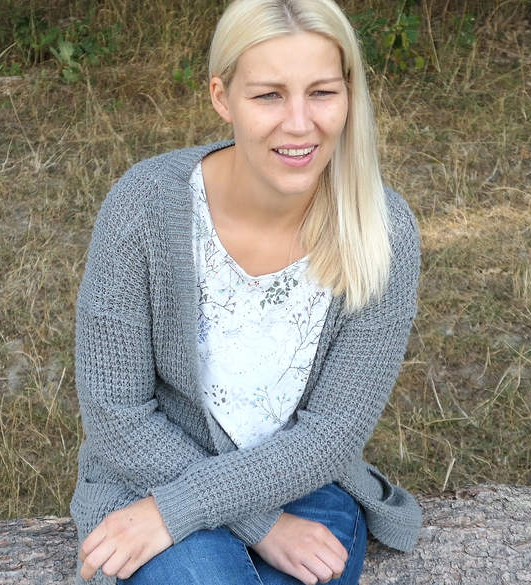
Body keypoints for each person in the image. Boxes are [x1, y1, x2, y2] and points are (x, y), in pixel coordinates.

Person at [70, 0, 422, 583]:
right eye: (268, 96)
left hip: (301, 485)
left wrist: (254, 512)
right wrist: (261, 525)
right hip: (150, 478)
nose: (299, 123)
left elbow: (332, 433)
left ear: (350, 95)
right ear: (221, 96)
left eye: (322, 93)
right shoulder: (143, 206)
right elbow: (117, 415)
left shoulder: (380, 230)